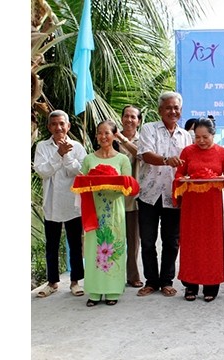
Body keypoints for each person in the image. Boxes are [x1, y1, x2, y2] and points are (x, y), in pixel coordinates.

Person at [136, 91, 192, 297]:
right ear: (160, 110)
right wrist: (168, 160)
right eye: (168, 107)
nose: (173, 111)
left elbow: (190, 165)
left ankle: (167, 280)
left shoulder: (186, 136)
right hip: (149, 195)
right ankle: (151, 281)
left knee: (171, 241)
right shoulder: (149, 129)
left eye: (176, 108)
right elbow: (146, 155)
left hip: (174, 195)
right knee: (148, 241)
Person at [173, 118, 224, 302]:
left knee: (211, 243)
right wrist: (181, 180)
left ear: (213, 135)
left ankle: (211, 284)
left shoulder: (222, 153)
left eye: (205, 137)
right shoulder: (187, 151)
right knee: (191, 242)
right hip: (191, 204)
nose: (200, 141)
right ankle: (190, 285)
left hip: (212, 205)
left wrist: (223, 181)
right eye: (197, 137)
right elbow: (178, 173)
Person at [77, 120, 138, 306]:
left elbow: (128, 185)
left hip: (115, 211)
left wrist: (110, 183)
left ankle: (112, 290)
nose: (103, 136)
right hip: (93, 210)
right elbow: (82, 182)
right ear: (96, 136)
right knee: (93, 249)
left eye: (107, 133)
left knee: (114, 249)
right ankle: (94, 292)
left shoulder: (122, 159)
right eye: (99, 133)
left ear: (114, 135)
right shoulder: (89, 159)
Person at [33, 110, 87, 298]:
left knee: (74, 243)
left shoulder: (77, 147)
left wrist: (66, 156)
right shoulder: (42, 146)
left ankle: (75, 281)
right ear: (49, 127)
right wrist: (58, 154)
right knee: (52, 245)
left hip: (72, 203)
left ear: (68, 126)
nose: (58, 127)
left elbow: (81, 172)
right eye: (54, 124)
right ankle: (52, 282)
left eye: (61, 124)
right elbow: (42, 171)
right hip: (51, 203)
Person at [115, 105, 144, 288]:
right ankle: (113, 276)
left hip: (134, 197)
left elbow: (139, 154)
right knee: (114, 238)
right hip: (114, 196)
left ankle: (133, 276)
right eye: (126, 116)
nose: (129, 120)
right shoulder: (111, 139)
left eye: (133, 117)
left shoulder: (143, 140)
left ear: (139, 121)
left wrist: (122, 138)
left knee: (134, 240)